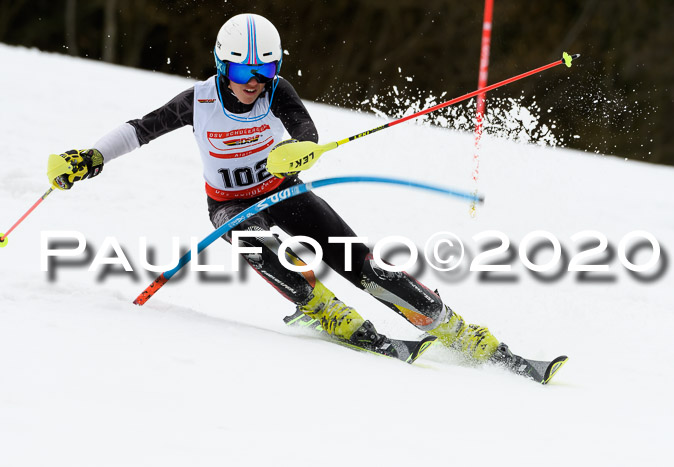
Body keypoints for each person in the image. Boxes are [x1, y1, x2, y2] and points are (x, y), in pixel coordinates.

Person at [47, 13, 500, 363]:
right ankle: (323, 309)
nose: (255, 83)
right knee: (265, 245)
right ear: (223, 67)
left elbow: (305, 129)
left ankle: (453, 328)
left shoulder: (276, 91)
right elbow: (140, 130)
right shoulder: (200, 100)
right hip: (230, 206)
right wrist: (92, 158)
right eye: (245, 74)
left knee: (361, 262)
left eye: (266, 70)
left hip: (285, 190)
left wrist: (300, 151)